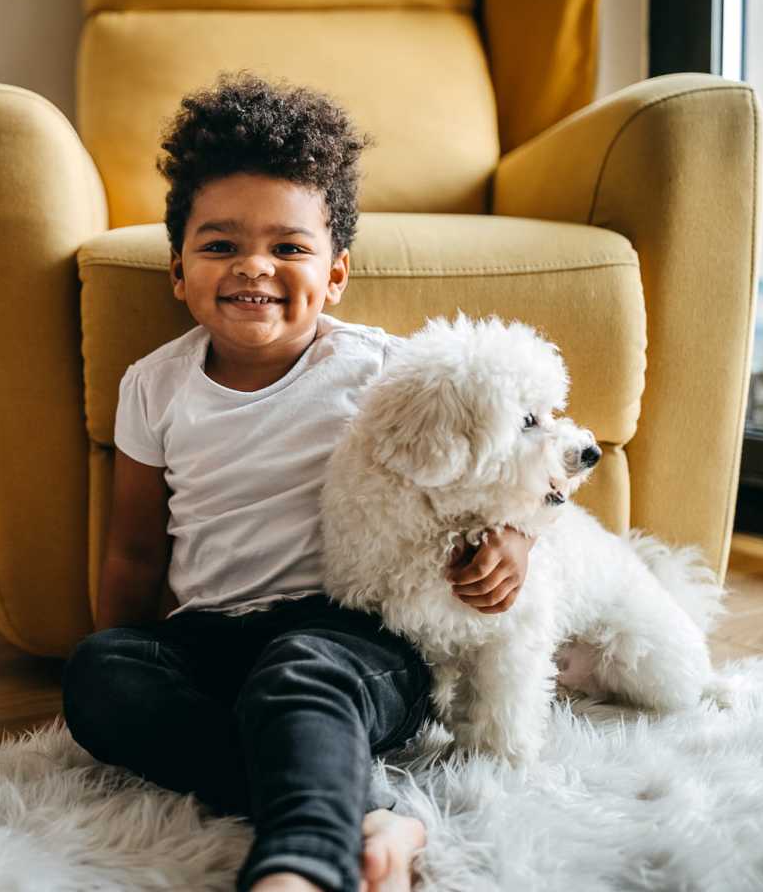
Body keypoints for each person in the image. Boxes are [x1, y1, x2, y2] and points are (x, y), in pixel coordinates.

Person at [61, 73, 535, 892]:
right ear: (178, 269)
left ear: (336, 273)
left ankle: (303, 864)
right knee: (98, 675)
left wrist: (515, 540)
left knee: (298, 674)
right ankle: (371, 810)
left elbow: (522, 465)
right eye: (220, 245)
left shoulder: (384, 372)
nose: (254, 267)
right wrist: (131, 657)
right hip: (212, 638)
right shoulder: (153, 385)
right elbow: (135, 552)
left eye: (288, 247)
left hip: (352, 641)